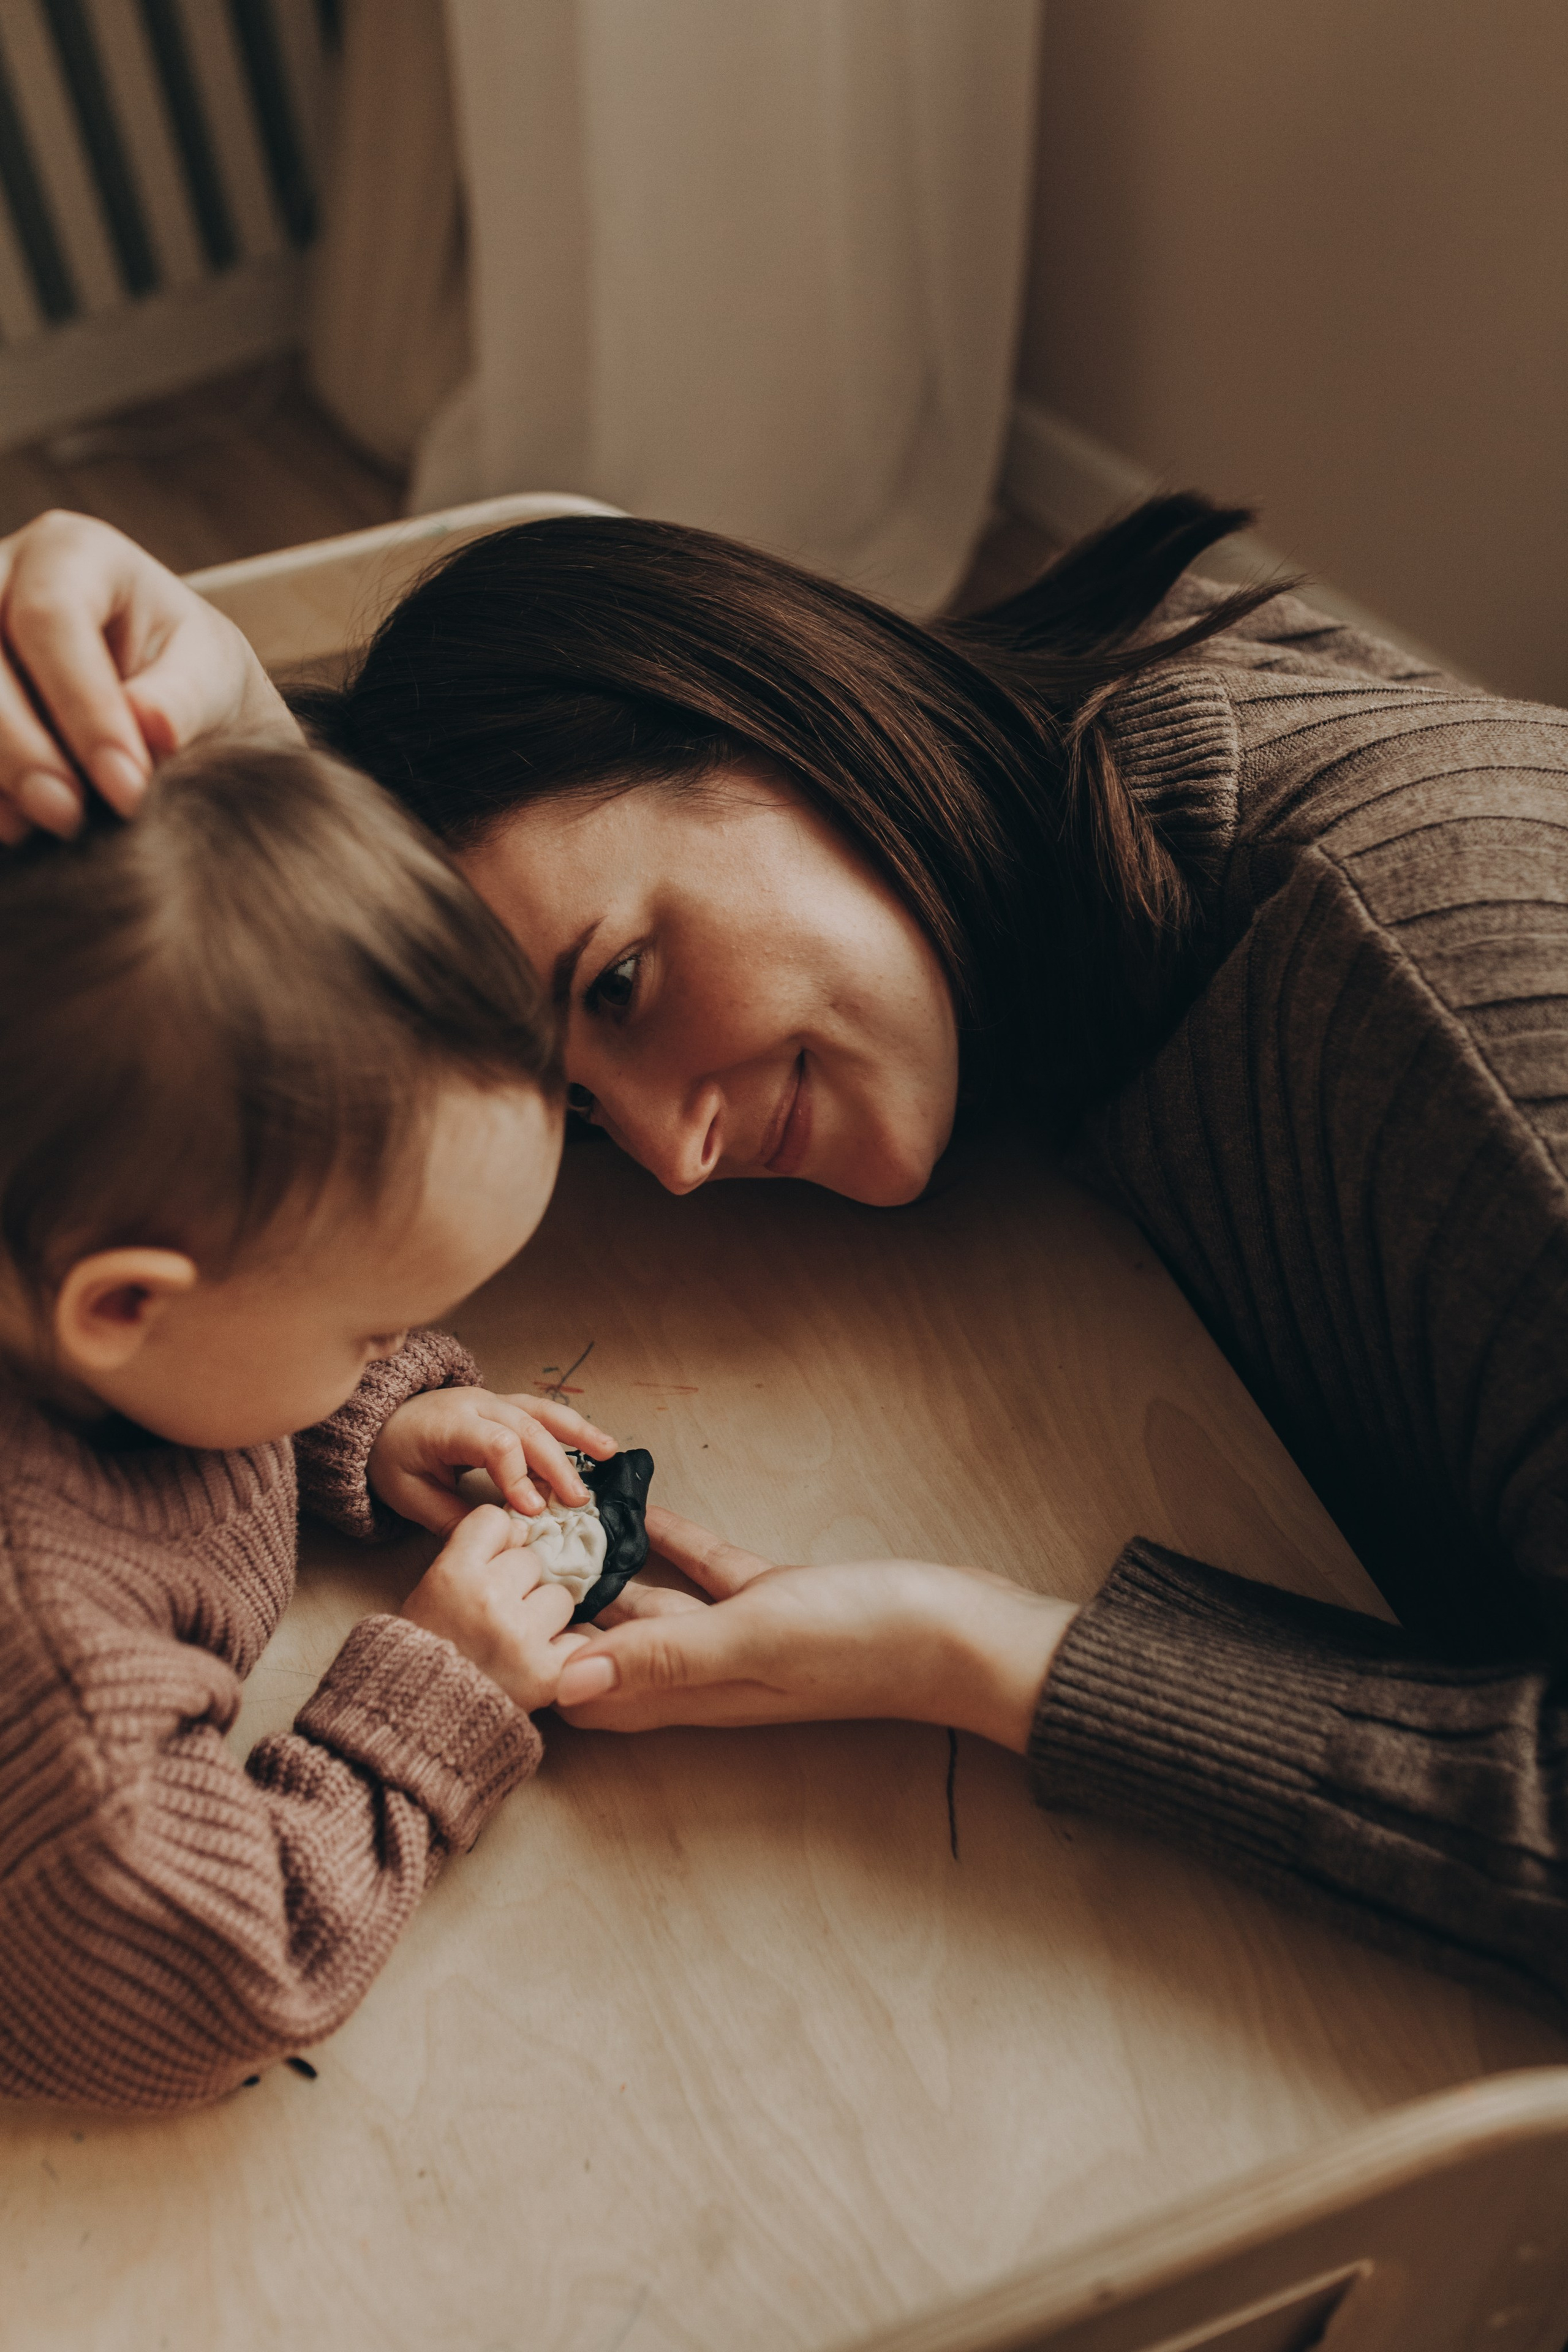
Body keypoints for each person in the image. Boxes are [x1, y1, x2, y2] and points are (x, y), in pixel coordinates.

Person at [3, 496, 1567, 2023]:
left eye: (617, 984)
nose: (677, 1166)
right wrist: (256, 767)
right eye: (586, 1112)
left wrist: (971, 1656)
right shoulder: (1067, 811)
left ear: (754, 711)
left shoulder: (1438, 1014)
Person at [0, 736, 623, 2109]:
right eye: (371, 1327)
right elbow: (210, 1982)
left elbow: (207, 1363)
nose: (396, 1347)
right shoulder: (53, 1671)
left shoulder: (54, 1232)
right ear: (119, 1309)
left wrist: (378, 1412)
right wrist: (418, 1705)